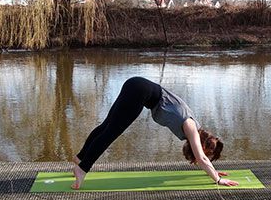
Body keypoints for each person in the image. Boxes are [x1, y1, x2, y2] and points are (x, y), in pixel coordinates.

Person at [72, 76, 238, 189]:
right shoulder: (191, 127)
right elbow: (201, 158)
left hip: (135, 85)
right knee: (111, 132)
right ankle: (83, 168)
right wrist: (218, 179)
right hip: (140, 92)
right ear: (203, 143)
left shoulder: (193, 124)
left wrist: (213, 170)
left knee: (107, 126)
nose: (202, 154)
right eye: (206, 151)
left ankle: (80, 157)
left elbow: (201, 157)